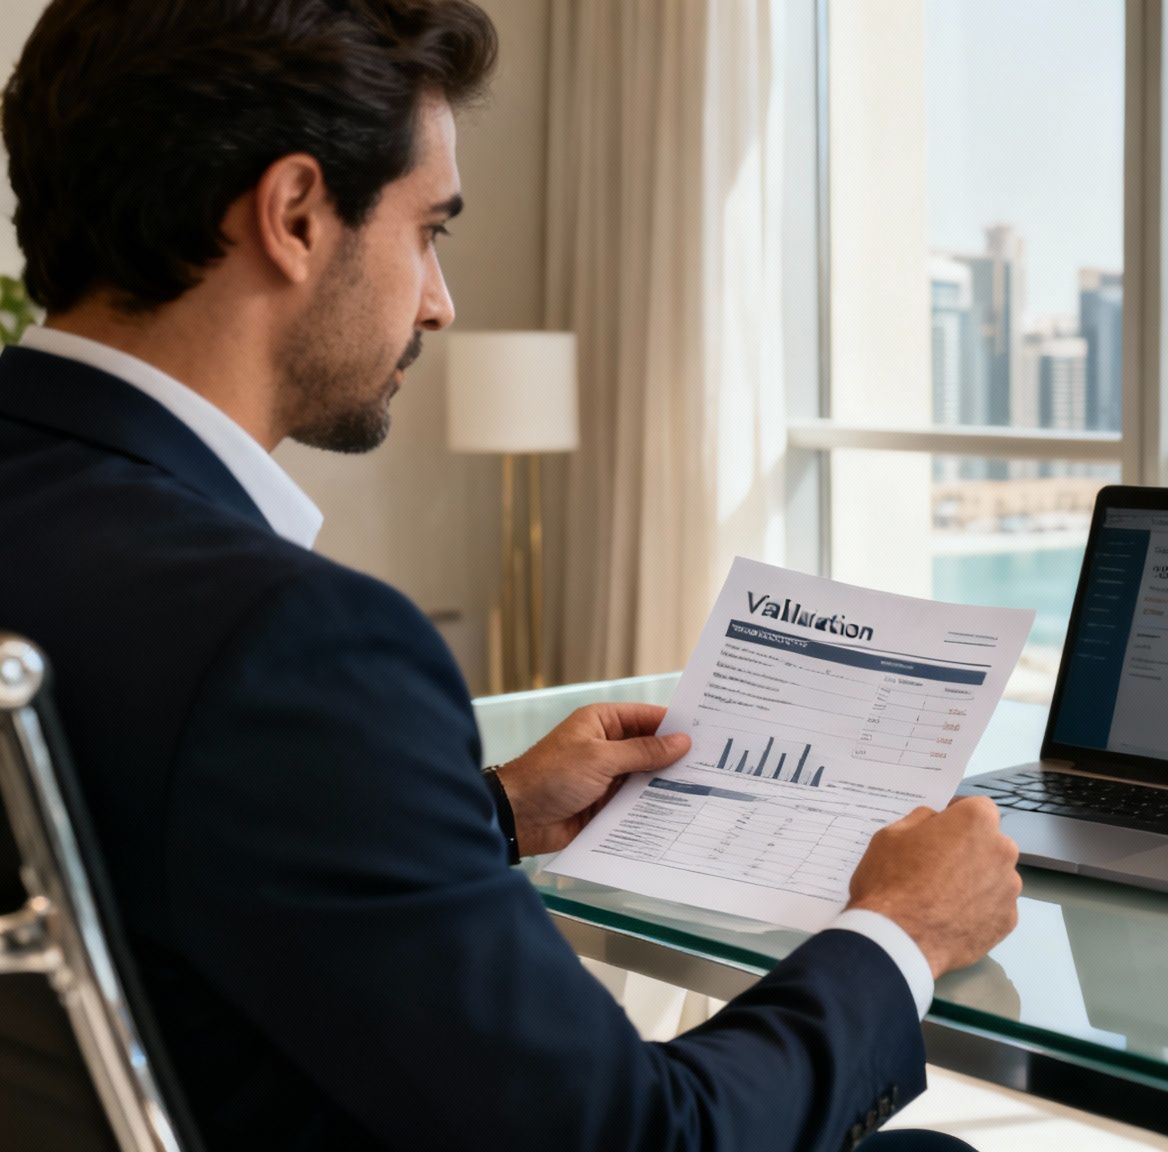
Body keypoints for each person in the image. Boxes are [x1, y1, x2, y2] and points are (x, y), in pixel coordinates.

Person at [0, 2, 1020, 1150]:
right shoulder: (290, 643)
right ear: (292, 215)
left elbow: (165, 852)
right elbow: (636, 1138)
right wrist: (902, 930)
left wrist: (481, 809)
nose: (439, 300)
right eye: (427, 229)